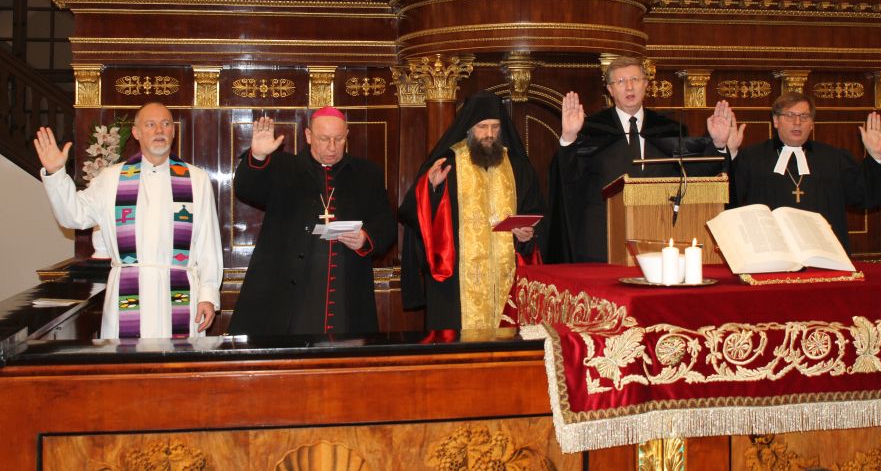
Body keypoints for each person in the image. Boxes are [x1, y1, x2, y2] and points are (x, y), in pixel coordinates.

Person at [34, 102, 222, 339]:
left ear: (173, 131)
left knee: (177, 361)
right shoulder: (111, 179)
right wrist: (55, 174)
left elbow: (208, 243)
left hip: (180, 293)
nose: (159, 130)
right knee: (128, 360)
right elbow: (73, 216)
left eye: (165, 124)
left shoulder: (196, 179)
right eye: (150, 124)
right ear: (136, 132)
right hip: (128, 292)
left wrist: (207, 295)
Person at [549, 56, 735, 262]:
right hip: (603, 241)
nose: (629, 87)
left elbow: (694, 178)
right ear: (610, 90)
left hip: (660, 235)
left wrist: (718, 144)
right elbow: (569, 178)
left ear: (646, 84)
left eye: (635, 80)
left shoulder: (670, 129)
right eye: (621, 81)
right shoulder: (591, 129)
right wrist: (569, 138)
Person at [229, 107, 396, 335]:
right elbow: (246, 189)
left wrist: (365, 239)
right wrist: (257, 156)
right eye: (324, 139)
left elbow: (386, 223)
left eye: (339, 139)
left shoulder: (367, 174)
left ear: (347, 135)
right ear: (308, 136)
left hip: (346, 292)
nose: (332, 147)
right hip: (290, 294)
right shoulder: (282, 167)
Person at [399, 91, 544, 331]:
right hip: (456, 284)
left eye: (495, 127)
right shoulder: (447, 165)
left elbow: (536, 214)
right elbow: (413, 215)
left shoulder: (517, 167)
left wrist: (527, 235)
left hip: (507, 278)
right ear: (469, 128)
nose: (489, 134)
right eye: (482, 127)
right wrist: (432, 189)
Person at [727, 91, 881, 251]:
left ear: (812, 124)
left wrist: (876, 156)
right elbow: (729, 197)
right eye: (790, 115)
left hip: (824, 252)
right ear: (776, 121)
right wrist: (730, 154)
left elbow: (865, 196)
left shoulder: (834, 158)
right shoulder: (752, 157)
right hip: (772, 252)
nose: (797, 122)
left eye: (804, 116)